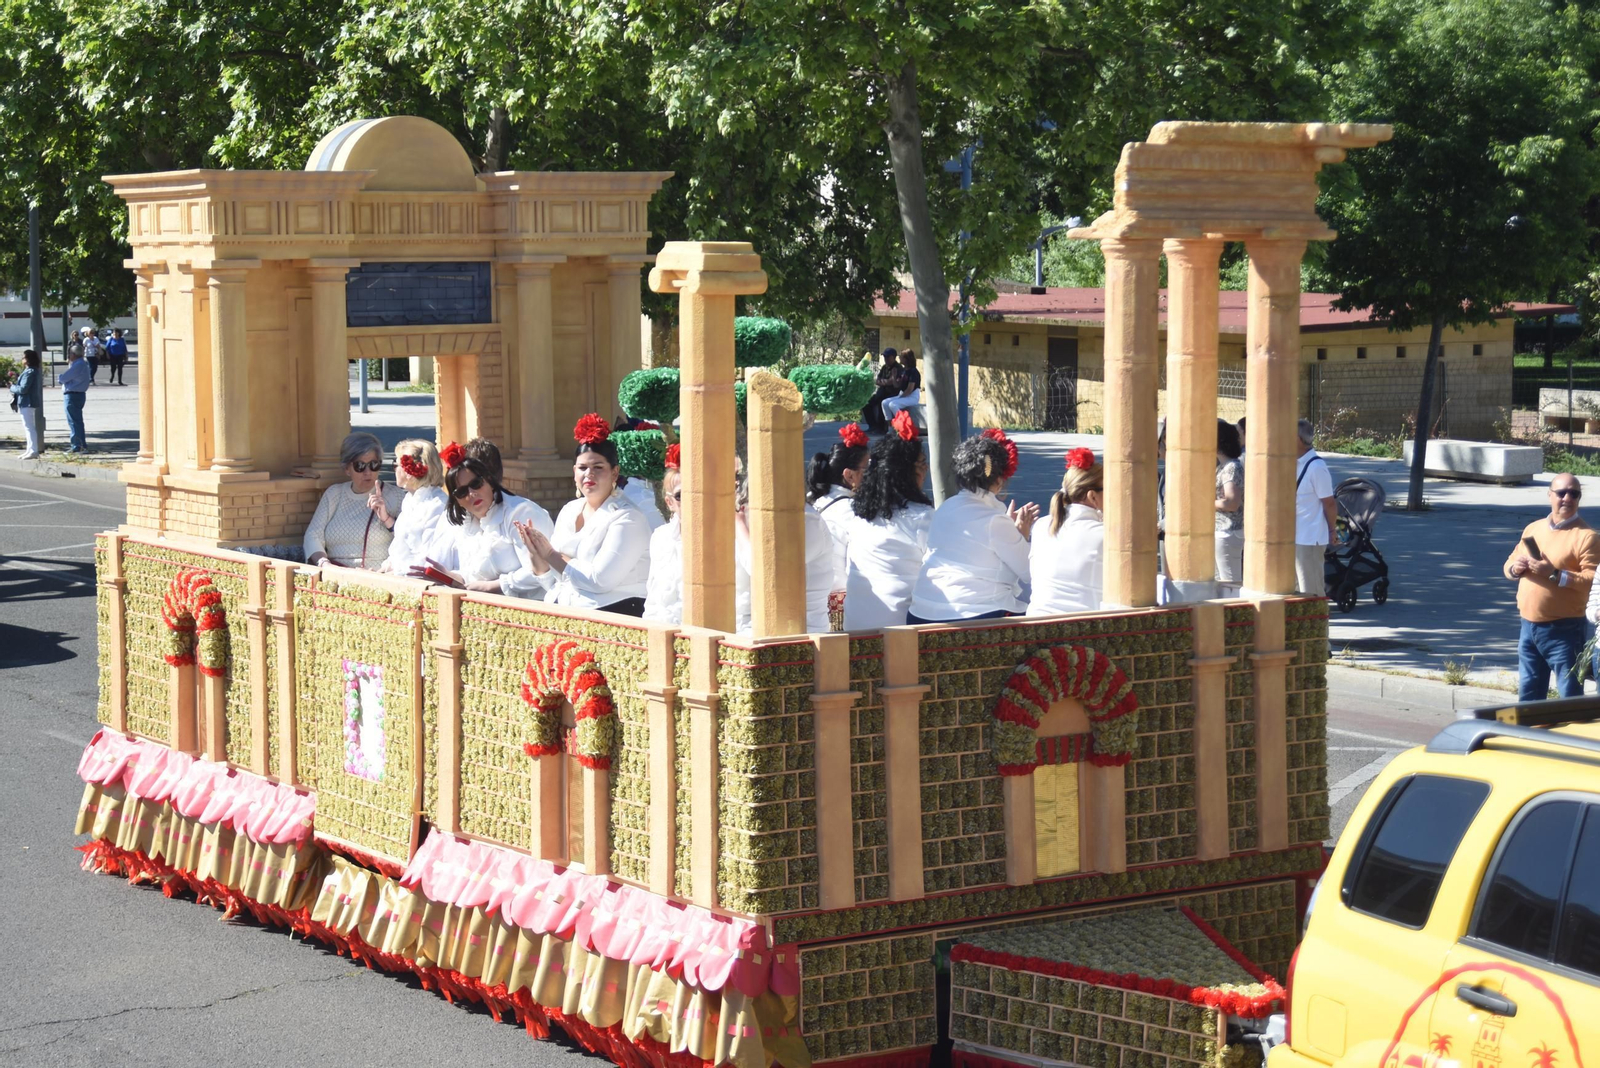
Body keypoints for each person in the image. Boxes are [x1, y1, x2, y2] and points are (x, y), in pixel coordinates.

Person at [517, 414, 653, 615]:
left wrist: (551, 554)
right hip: (567, 610)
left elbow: (599, 581)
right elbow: (554, 579)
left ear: (615, 473)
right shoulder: (569, 510)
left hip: (616, 614)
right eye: (582, 468)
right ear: (574, 472)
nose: (589, 474)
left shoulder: (628, 517)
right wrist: (535, 551)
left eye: (598, 467)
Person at [908, 427, 1037, 623]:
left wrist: (1009, 530)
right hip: (971, 615)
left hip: (919, 614)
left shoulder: (946, 507)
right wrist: (1021, 534)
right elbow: (1029, 571)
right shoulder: (995, 521)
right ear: (999, 480)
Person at [1507, 473, 1598, 701]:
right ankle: (1531, 725)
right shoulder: (1533, 529)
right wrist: (1515, 569)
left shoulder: (1587, 537)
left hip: (1564, 629)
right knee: (1529, 693)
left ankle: (1573, 726)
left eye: (1574, 494)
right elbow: (1508, 564)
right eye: (1561, 493)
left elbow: (1592, 581)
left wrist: (1554, 574)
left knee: (1569, 695)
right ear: (1550, 495)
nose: (1567, 498)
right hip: (1528, 626)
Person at [421, 442, 552, 594]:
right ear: (457, 500)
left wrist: (493, 586)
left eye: (476, 483)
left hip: (533, 603)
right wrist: (452, 577)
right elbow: (475, 577)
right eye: (462, 492)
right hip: (485, 604)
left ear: (490, 481)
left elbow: (544, 570)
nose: (472, 493)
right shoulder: (466, 523)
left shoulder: (521, 512)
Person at [844, 411, 933, 630]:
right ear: (905, 473)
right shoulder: (921, 517)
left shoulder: (857, 515)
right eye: (922, 464)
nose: (926, 470)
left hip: (854, 627)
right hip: (901, 631)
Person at [303, 431, 407, 569]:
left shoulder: (396, 496)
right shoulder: (334, 494)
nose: (368, 472)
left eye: (373, 464)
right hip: (336, 573)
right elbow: (313, 535)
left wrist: (387, 519)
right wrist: (324, 563)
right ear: (347, 469)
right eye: (360, 466)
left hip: (377, 573)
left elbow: (409, 539)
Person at [1028, 448, 1104, 615]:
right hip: (1085, 624)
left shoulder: (1041, 525)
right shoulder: (1104, 534)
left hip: (1036, 620)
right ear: (1092, 496)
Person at [809, 423, 871, 620]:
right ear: (849, 475)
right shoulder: (852, 511)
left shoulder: (816, 501)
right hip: (841, 608)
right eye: (867, 469)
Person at [377, 439, 449, 575]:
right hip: (402, 576)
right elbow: (399, 549)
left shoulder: (437, 506)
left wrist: (394, 574)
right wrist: (383, 570)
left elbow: (428, 560)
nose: (394, 469)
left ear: (409, 472)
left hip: (422, 580)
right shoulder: (410, 500)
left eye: (395, 465)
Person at [1293, 419, 1337, 596]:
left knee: (1311, 591)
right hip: (1296, 536)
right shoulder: (1295, 463)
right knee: (1296, 590)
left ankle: (1320, 615)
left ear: (1297, 439)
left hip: (1309, 538)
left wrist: (1333, 530)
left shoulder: (1317, 467)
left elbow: (1329, 503)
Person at [643, 445, 685, 624]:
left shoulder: (728, 536)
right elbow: (653, 597)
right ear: (669, 502)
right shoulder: (660, 537)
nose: (692, 499)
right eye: (681, 495)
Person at [1214, 419, 1244, 584]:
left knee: (1230, 583)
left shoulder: (1231, 467)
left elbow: (1232, 503)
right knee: (1222, 582)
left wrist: (1206, 503)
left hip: (1228, 532)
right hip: (1223, 531)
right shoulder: (1223, 466)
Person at [10, 349, 44, 459]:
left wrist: (12, 387)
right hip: (26, 402)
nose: (22, 359)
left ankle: (33, 450)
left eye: (24, 357)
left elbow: (23, 389)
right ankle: (30, 449)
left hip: (27, 402)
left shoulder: (30, 371)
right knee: (28, 427)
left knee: (29, 427)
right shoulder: (29, 371)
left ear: (28, 359)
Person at [59, 341, 91, 453]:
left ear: (73, 354)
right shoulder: (81, 364)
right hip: (78, 394)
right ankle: (81, 444)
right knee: (77, 421)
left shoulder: (78, 365)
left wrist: (60, 377)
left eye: (70, 354)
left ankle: (77, 445)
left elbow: (63, 378)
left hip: (72, 395)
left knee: (73, 421)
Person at [879, 349, 922, 425]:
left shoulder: (913, 372)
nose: (899, 358)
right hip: (903, 394)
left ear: (906, 359)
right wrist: (894, 376)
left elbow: (909, 390)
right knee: (884, 403)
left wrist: (899, 398)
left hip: (912, 397)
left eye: (901, 357)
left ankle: (903, 424)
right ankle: (891, 427)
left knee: (893, 404)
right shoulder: (904, 371)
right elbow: (897, 385)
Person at [861, 348, 899, 433]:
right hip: (881, 392)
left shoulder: (897, 368)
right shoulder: (884, 367)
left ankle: (881, 428)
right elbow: (877, 380)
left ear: (893, 357)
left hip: (892, 394)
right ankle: (872, 426)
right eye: (885, 357)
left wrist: (884, 382)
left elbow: (891, 382)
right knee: (866, 404)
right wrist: (885, 382)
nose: (886, 359)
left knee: (882, 404)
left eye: (888, 357)